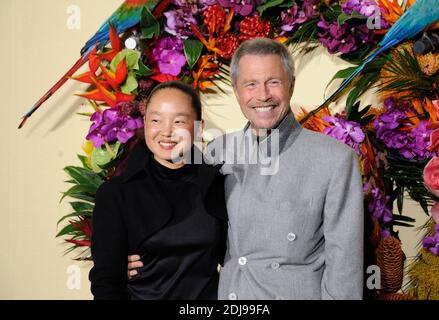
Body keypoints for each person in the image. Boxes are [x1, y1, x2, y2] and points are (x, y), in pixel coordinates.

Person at [129, 38, 364, 300]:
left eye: (273, 82)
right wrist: (133, 256)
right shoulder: (218, 151)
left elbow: (345, 266)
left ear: (291, 85)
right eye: (250, 84)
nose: (262, 95)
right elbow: (183, 224)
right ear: (237, 91)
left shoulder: (334, 160)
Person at [89, 81, 228, 300]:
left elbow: (236, 259)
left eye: (179, 121)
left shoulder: (216, 184)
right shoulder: (117, 194)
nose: (166, 131)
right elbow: (106, 283)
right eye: (156, 120)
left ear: (199, 128)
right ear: (144, 123)